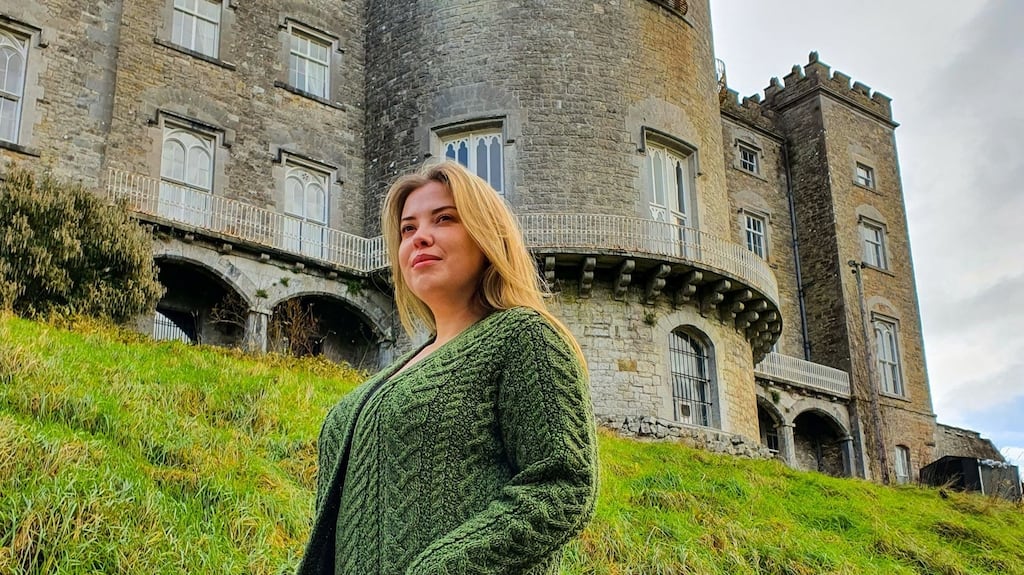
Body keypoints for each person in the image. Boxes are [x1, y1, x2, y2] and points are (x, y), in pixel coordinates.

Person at [296, 160, 599, 575]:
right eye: (407, 229)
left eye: (444, 219)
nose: (420, 237)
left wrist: (441, 567)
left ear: (485, 235)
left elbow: (563, 484)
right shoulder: (400, 370)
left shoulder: (522, 335)